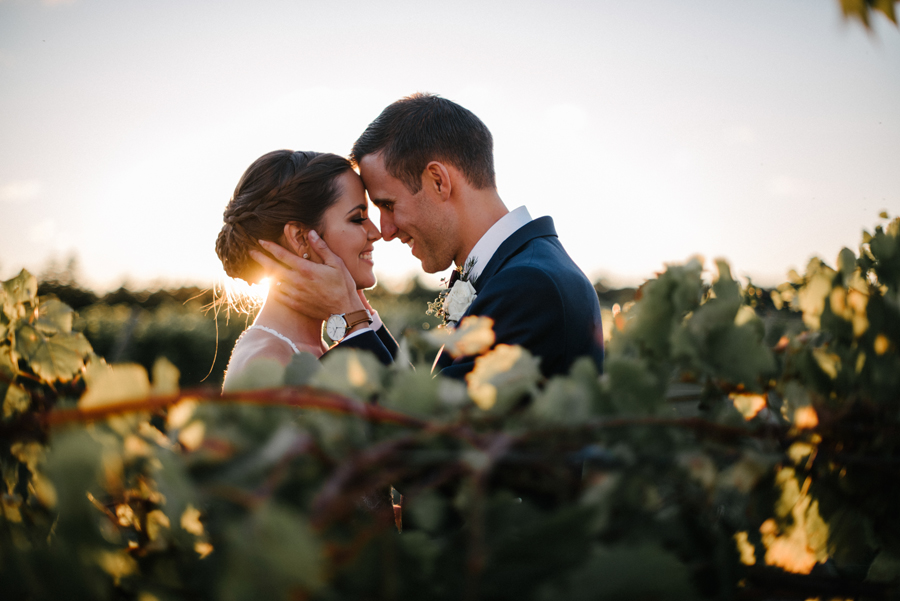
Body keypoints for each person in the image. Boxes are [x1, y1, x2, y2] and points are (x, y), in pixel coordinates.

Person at [252, 94, 604, 379]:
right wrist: (359, 311)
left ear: (438, 181)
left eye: (388, 205)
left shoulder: (530, 287)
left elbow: (426, 448)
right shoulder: (523, 272)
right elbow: (432, 411)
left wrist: (348, 317)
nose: (385, 231)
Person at [216, 149, 398, 391]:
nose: (377, 233)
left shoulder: (316, 349)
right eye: (357, 218)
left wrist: (357, 313)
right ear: (301, 238)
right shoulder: (267, 364)